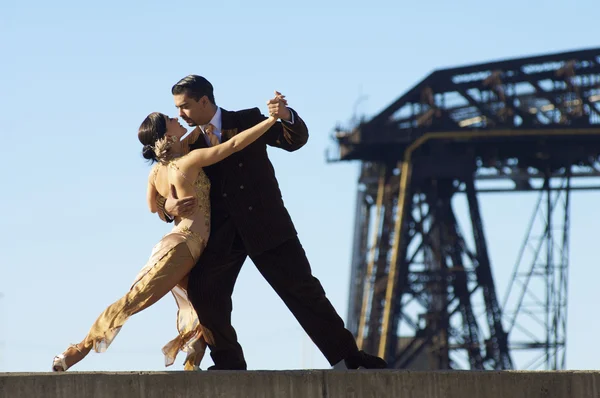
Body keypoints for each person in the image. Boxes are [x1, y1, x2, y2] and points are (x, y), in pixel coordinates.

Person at [155, 75, 387, 370]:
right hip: (222, 236)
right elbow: (163, 186)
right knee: (204, 293)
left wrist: (285, 116)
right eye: (176, 109)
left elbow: (294, 141)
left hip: (266, 224)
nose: (180, 115)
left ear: (204, 101)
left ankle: (349, 359)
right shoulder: (187, 145)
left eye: (185, 106)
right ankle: (229, 364)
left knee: (304, 291)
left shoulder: (248, 119)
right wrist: (168, 207)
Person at [51, 104, 278, 372]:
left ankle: (194, 354)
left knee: (203, 303)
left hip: (186, 245)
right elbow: (234, 145)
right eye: (171, 119)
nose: (177, 117)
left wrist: (167, 205)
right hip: (184, 245)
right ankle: (79, 350)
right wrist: (271, 121)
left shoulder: (157, 171)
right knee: (135, 299)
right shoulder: (189, 161)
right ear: (165, 135)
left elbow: (152, 207)